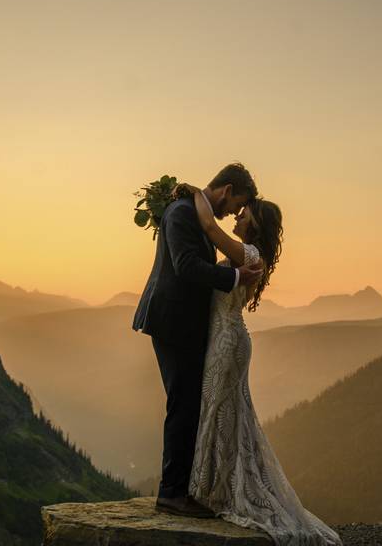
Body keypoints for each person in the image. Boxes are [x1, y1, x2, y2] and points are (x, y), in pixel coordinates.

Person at [183, 185, 343, 546]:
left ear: (256, 224)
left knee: (222, 412)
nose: (238, 215)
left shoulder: (250, 254)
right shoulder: (251, 254)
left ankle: (217, 491)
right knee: (223, 412)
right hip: (224, 339)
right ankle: (215, 488)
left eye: (244, 213)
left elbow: (209, 227)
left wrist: (194, 194)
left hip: (228, 343)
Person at [133, 162, 264, 518]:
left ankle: (180, 490)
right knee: (183, 404)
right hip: (171, 322)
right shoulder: (181, 213)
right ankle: (172, 494)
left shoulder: (195, 213)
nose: (233, 213)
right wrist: (235, 276)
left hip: (185, 324)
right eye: (236, 204)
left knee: (188, 404)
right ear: (227, 190)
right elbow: (186, 265)